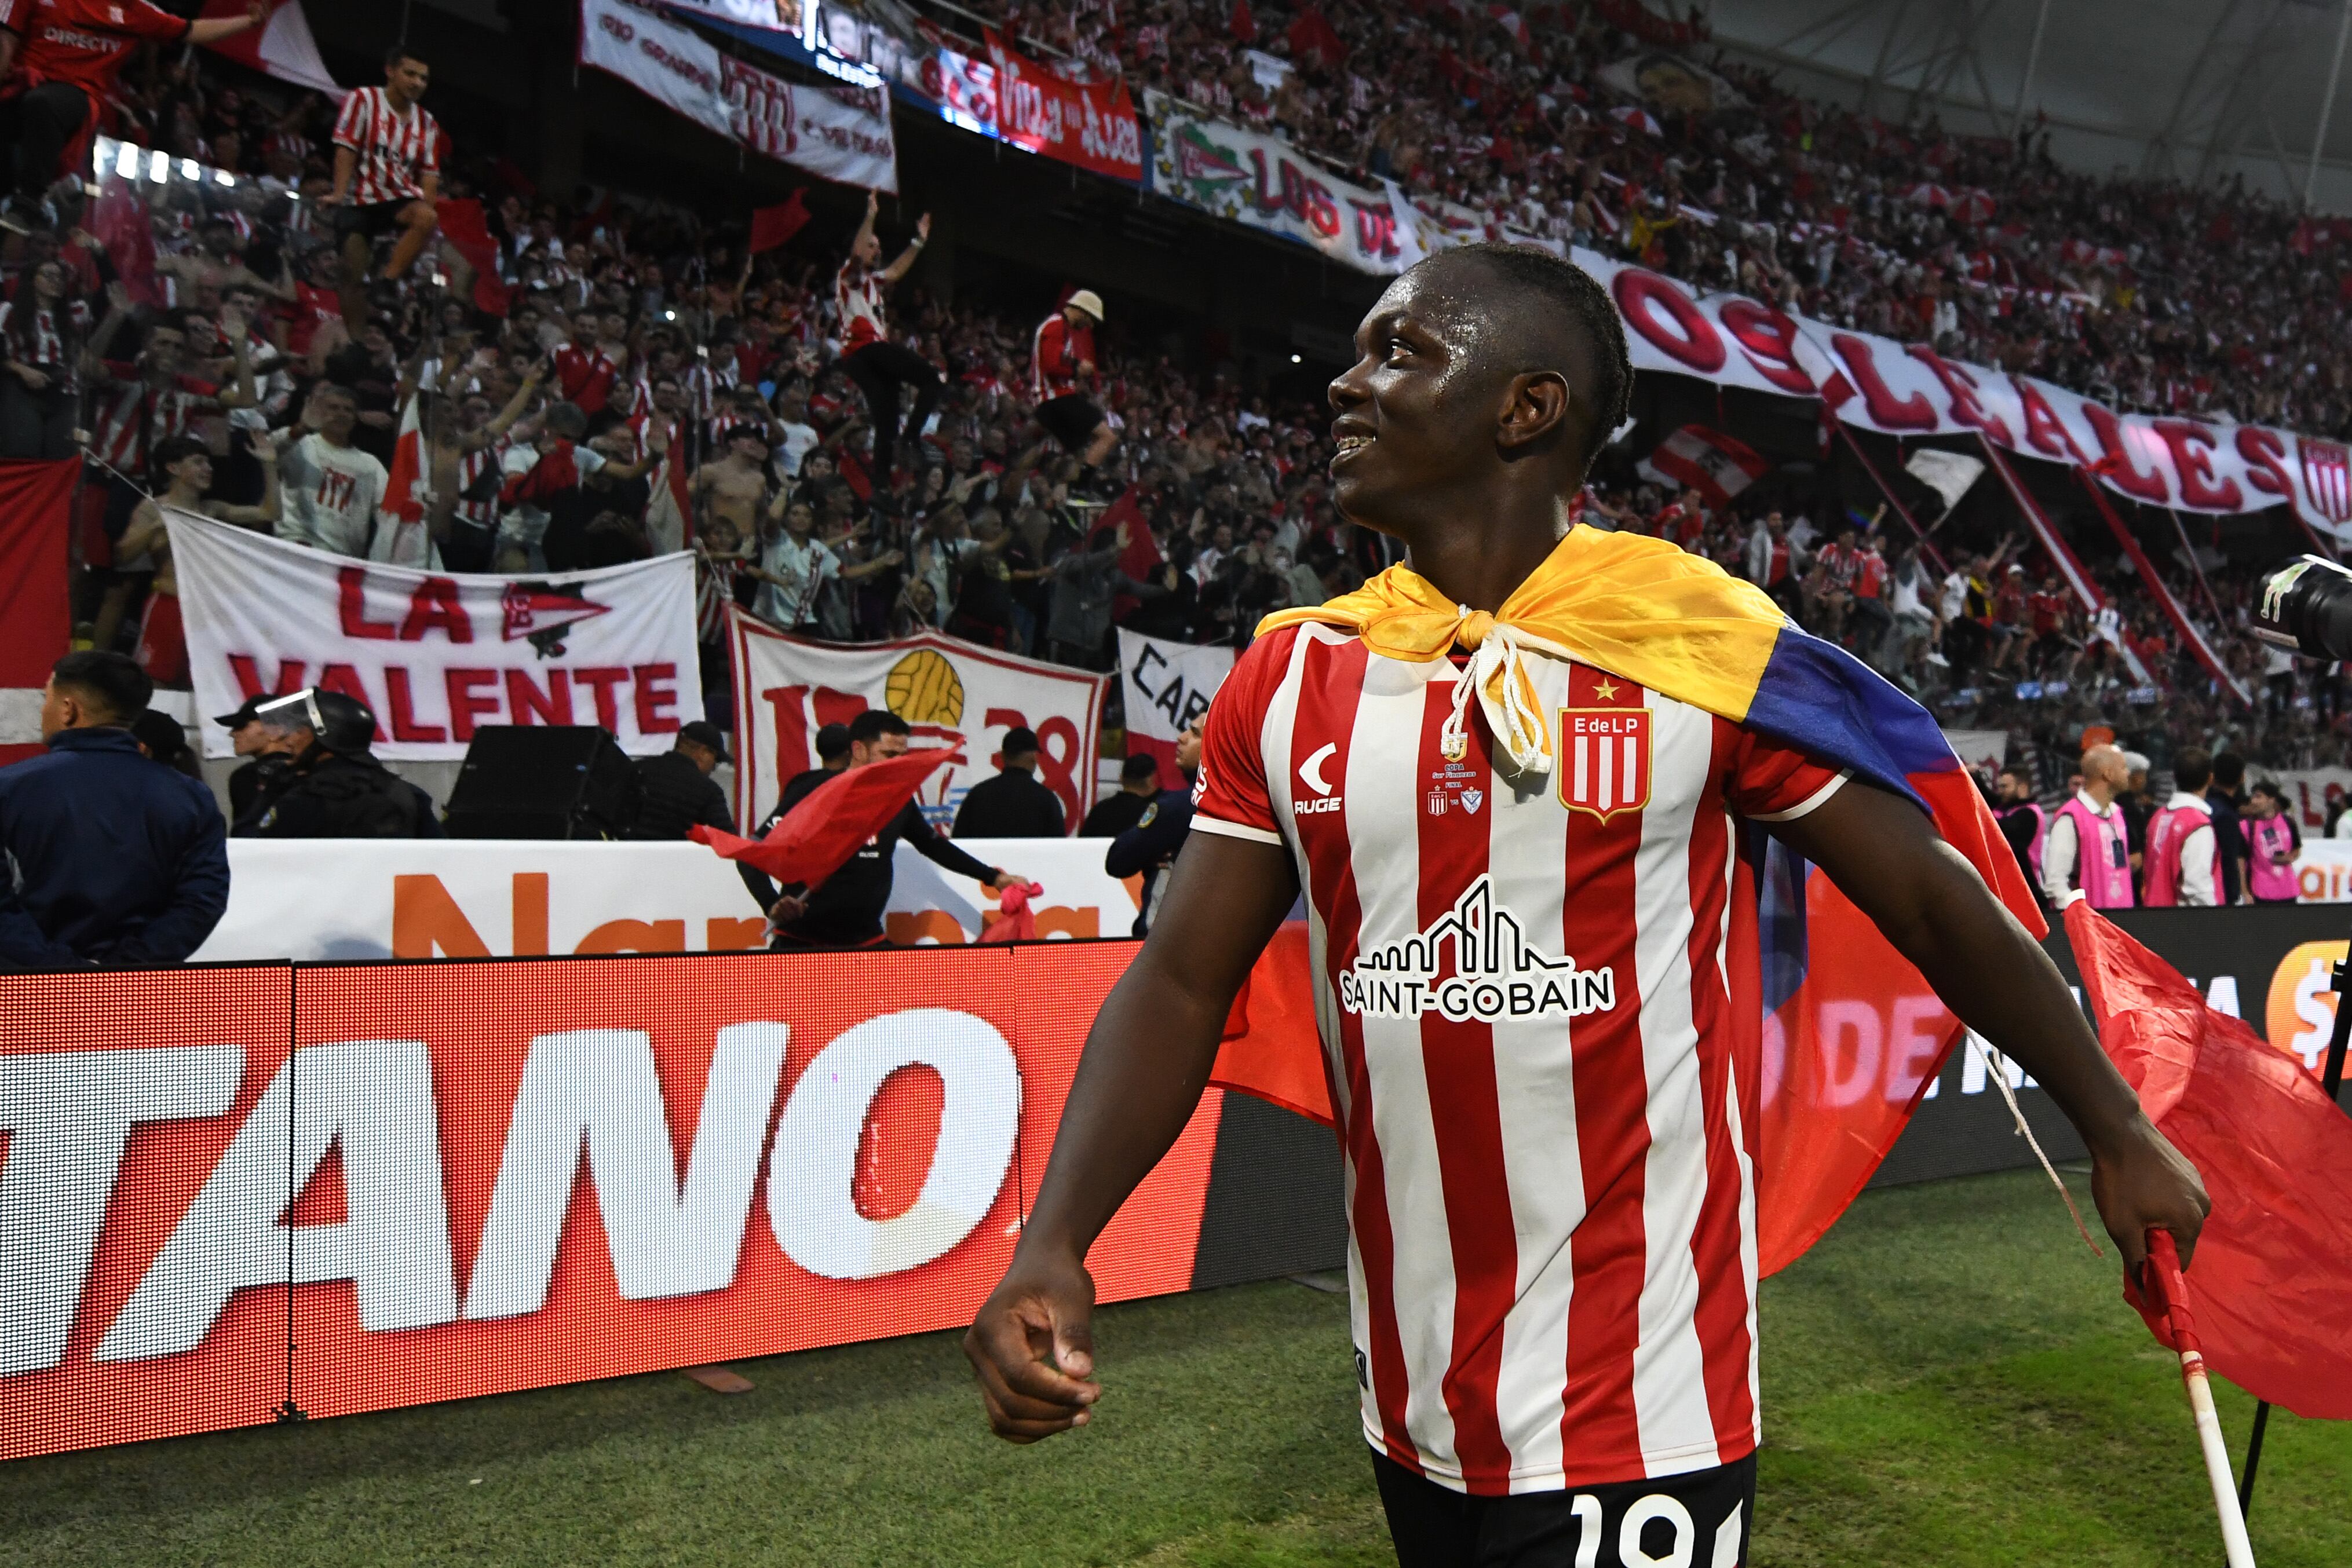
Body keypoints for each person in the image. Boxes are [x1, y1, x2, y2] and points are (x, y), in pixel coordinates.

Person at [962, 245, 2204, 1565]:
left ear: (1528, 407)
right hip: (1410, 1395)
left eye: (1399, 352)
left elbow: (1934, 902)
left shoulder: (1696, 648)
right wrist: (1056, 1238)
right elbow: (1179, 980)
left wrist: (2115, 1127)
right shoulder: (1290, 675)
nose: (1343, 383)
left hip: (1642, 1393)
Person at [0, 652, 227, 967]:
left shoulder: (9, 788)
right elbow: (202, 900)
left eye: (46, 698)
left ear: (68, 710)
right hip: (140, 991)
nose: (42, 710)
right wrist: (126, 965)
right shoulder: (191, 795)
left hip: (26, 992)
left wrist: (59, 967)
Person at [739, 708, 1019, 949]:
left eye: (903, 755)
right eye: (889, 754)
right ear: (859, 750)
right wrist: (772, 904)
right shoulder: (813, 790)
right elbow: (749, 855)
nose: (899, 764)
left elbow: (932, 844)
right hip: (802, 944)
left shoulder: (897, 799)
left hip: (867, 942)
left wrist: (993, 878)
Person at [0, 0, 263, 230]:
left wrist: (249, 21)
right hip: (22, 81)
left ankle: (29, 201)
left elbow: (192, 31)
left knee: (43, 103)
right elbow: (6, 41)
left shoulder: (136, 11)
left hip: (77, 93)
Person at [239, 688, 444, 838]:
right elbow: (439, 860)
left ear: (324, 736)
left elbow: (246, 851)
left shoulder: (305, 799)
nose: (289, 740)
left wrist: (270, 793)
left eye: (300, 731)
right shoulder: (410, 795)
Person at [328, 46, 440, 317]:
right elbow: (346, 148)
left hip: (396, 200)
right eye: (410, 74)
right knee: (352, 279)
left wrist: (428, 214)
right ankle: (352, 335)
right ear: (390, 71)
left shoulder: (427, 122)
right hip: (358, 199)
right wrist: (338, 193)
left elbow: (429, 174)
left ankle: (387, 282)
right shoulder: (363, 99)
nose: (417, 83)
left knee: (426, 217)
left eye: (423, 78)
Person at [835, 191, 939, 481]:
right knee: (931, 378)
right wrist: (870, 216)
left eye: (878, 246)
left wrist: (918, 242)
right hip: (865, 348)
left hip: (858, 359)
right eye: (872, 245)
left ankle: (880, 489)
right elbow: (858, 256)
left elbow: (894, 272)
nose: (876, 250)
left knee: (886, 423)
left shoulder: (872, 281)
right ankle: (912, 438)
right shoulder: (850, 275)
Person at [1102, 719, 1200, 936]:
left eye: (1195, 733)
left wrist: (1156, 848)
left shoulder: (1177, 808)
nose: (1182, 737)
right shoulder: (1244, 805)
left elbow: (1118, 861)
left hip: (1165, 944)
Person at [2042, 744, 2136, 910]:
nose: (2128, 773)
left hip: (2122, 921)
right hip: (2091, 926)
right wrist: (2079, 918)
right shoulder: (2070, 818)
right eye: (2123, 768)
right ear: (2108, 774)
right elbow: (2055, 883)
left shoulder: (2117, 814)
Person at [1032, 289, 1117, 472]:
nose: (1090, 326)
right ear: (1082, 312)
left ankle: (1074, 487)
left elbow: (1058, 360)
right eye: (1090, 320)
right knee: (1107, 437)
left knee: (1079, 451)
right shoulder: (1056, 326)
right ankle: (1080, 489)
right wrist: (1078, 371)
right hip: (1057, 398)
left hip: (1052, 399)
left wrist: (1077, 365)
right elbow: (1052, 367)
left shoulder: (1062, 329)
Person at [952, 725, 1066, 839]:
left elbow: (958, 843)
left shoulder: (978, 795)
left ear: (1003, 756)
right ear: (1033, 758)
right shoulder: (1047, 800)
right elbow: (1058, 849)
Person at [629, 720, 733, 841]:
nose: (713, 768)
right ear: (703, 753)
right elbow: (728, 841)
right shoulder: (709, 790)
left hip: (622, 855)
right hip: (675, 858)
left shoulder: (636, 769)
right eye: (716, 762)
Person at [2141, 748, 2217, 908]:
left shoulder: (2158, 817)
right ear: (2211, 778)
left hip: (2151, 912)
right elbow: (2197, 885)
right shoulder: (2197, 824)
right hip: (2181, 922)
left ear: (2174, 777)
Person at [1991, 763, 2048, 918]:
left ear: (2022, 787)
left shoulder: (2030, 813)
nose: (2001, 792)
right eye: (1999, 787)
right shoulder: (2004, 810)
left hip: (2024, 888)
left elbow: (2010, 830)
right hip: (2000, 885)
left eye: (2005, 787)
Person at [2243, 781, 2302, 904]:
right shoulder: (2247, 826)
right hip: (2261, 892)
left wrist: (2290, 857)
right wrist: (2245, 892)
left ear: (2271, 800)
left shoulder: (2288, 822)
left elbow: (2297, 848)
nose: (2254, 801)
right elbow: (2241, 862)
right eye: (2253, 797)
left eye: (2259, 797)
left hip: (2288, 891)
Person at [1082, 752, 1164, 837]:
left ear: (1121, 778)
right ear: (1151, 779)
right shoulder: (1150, 814)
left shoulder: (1099, 810)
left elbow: (1083, 844)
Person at [2207, 752, 2249, 906]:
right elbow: (2229, 859)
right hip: (2219, 893)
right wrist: (2233, 894)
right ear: (2242, 778)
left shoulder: (2203, 805)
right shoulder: (2226, 814)